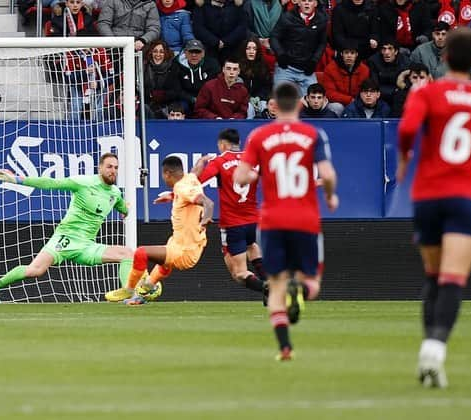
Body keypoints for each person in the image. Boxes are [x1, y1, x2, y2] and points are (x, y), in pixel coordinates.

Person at [396, 27, 471, 388]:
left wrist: (404, 159)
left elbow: (407, 130)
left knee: (432, 276)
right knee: (452, 279)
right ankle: (435, 349)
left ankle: (429, 352)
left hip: (427, 195)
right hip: (464, 196)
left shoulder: (427, 93)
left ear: (444, 57)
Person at [233, 82, 339, 361]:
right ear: (301, 104)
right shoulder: (313, 134)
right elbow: (327, 175)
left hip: (271, 221)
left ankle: (284, 348)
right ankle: (301, 289)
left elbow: (240, 177)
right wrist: (330, 198)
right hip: (305, 218)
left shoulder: (259, 136)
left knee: (276, 284)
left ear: (275, 105)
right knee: (312, 286)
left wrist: (259, 176)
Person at [0, 153, 135, 306]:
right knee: (35, 270)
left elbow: (121, 205)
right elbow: (50, 183)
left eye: (116, 167)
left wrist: (125, 211)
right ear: (100, 168)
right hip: (65, 239)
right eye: (109, 166)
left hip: (87, 247)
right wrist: (18, 179)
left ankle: (128, 294)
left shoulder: (115, 192)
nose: (113, 171)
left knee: (127, 253)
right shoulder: (83, 183)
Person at [105, 155, 214, 304]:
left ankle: (129, 290)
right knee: (164, 264)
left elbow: (208, 203)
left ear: (167, 173)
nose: (164, 179)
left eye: (163, 175)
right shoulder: (190, 179)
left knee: (141, 253)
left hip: (185, 250)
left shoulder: (182, 188)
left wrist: (206, 219)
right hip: (184, 243)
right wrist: (204, 159)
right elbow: (198, 168)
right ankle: (143, 293)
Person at [191, 128, 268, 298]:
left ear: (222, 144)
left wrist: (174, 193)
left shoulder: (219, 161)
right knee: (252, 246)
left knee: (239, 273)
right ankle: (268, 280)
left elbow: (197, 181)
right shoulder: (252, 159)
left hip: (232, 224)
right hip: (252, 221)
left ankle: (269, 289)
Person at [269, 0, 328, 95]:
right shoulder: (287, 17)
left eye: (310, 0)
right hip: (286, 68)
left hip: (306, 70)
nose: (307, 3)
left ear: (316, 4)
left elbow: (322, 43)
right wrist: (281, 54)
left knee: (313, 101)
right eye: (304, 0)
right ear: (298, 3)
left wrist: (314, 60)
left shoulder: (322, 19)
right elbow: (274, 37)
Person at [322, 40, 371, 116]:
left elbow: (366, 90)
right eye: (346, 52)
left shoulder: (364, 70)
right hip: (338, 102)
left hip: (357, 102)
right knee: (337, 107)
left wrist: (356, 102)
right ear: (341, 54)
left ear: (356, 54)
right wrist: (350, 100)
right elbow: (329, 93)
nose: (349, 56)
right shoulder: (330, 68)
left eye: (352, 53)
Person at [192, 0, 247, 64]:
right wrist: (215, 42)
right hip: (209, 48)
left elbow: (242, 27)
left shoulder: (236, 5)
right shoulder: (203, 6)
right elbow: (198, 28)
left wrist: (225, 41)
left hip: (231, 48)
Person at [175, 39, 221, 113]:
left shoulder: (213, 65)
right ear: (185, 53)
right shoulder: (176, 65)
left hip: (207, 99)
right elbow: (176, 89)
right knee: (179, 108)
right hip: (186, 100)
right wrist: (192, 99)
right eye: (191, 52)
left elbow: (216, 86)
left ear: (203, 53)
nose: (194, 55)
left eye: (197, 52)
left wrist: (203, 99)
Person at [97, 0, 161, 53]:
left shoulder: (150, 4)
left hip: (138, 46)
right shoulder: (113, 1)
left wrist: (143, 40)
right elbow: (103, 23)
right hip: (114, 45)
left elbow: (154, 28)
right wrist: (112, 41)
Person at [143, 40, 182, 119]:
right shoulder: (144, 66)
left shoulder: (174, 67)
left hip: (168, 104)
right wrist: (150, 95)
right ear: (151, 53)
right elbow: (140, 88)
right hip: (148, 103)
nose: (158, 55)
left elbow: (177, 91)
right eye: (155, 51)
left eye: (161, 52)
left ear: (166, 54)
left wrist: (162, 95)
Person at [367, 38, 410, 105]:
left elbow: (406, 86)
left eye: (390, 49)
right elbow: (374, 84)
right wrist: (394, 91)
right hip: (380, 96)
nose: (386, 52)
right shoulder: (373, 61)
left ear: (396, 51)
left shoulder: (406, 62)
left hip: (399, 96)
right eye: (384, 49)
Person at [238, 36, 273, 119]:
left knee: (264, 105)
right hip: (243, 100)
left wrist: (258, 97)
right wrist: (249, 98)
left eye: (254, 49)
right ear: (244, 50)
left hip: (260, 98)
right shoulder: (238, 66)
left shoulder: (263, 66)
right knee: (249, 108)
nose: (251, 51)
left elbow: (267, 86)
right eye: (248, 48)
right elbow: (237, 87)